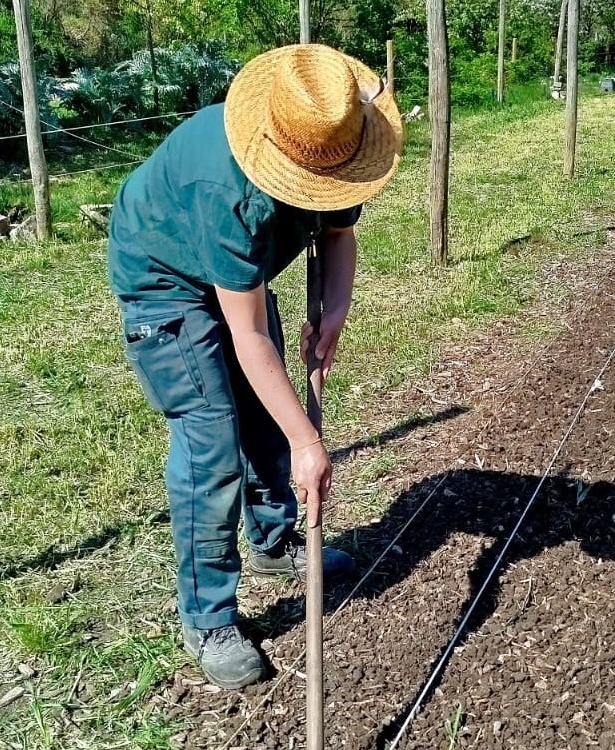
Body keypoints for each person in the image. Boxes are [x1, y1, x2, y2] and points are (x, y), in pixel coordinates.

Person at [106, 43, 402, 689]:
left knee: (267, 421)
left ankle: (273, 543)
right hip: (166, 279)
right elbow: (247, 333)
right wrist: (310, 443)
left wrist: (336, 310)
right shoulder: (225, 188)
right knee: (211, 439)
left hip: (233, 274)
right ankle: (206, 616)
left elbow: (339, 235)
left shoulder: (333, 139)